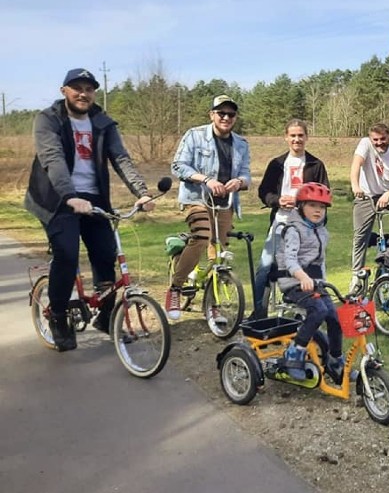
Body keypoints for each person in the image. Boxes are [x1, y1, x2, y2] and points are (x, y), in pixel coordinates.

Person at [25, 68, 154, 351]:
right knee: (67, 254)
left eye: (89, 89)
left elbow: (121, 158)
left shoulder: (102, 122)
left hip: (94, 198)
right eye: (77, 88)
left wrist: (142, 193)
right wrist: (70, 196)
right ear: (64, 91)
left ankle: (106, 316)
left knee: (106, 254)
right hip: (57, 198)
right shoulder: (49, 119)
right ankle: (58, 317)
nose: (83, 94)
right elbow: (53, 158)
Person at [167, 95, 251, 320]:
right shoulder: (194, 136)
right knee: (203, 236)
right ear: (212, 115)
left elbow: (246, 173)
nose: (226, 117)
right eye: (221, 113)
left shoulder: (241, 144)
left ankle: (212, 303)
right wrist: (205, 179)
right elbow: (178, 166)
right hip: (197, 199)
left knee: (219, 253)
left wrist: (240, 182)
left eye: (230, 114)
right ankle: (175, 289)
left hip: (225, 203)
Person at [252, 119, 329, 317]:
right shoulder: (277, 164)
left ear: (307, 137)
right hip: (281, 222)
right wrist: (278, 201)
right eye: (293, 135)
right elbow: (264, 192)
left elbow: (325, 195)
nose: (297, 139)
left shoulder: (315, 165)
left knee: (307, 266)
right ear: (286, 137)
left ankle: (306, 308)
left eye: (300, 135)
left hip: (305, 226)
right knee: (265, 266)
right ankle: (259, 312)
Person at [277, 183, 345, 381]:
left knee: (334, 316)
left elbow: (320, 262)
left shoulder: (322, 231)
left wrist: (321, 282)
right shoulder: (293, 230)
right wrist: (303, 278)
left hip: (314, 283)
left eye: (322, 207)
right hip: (293, 282)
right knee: (318, 311)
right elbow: (290, 260)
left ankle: (335, 359)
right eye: (312, 205)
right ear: (300, 207)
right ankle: (294, 352)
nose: (317, 210)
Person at [349, 122, 389, 292]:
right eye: (376, 140)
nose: (379, 143)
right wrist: (355, 186)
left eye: (383, 139)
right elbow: (356, 165)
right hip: (366, 195)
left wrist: (388, 195)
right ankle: (357, 276)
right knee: (359, 237)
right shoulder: (365, 144)